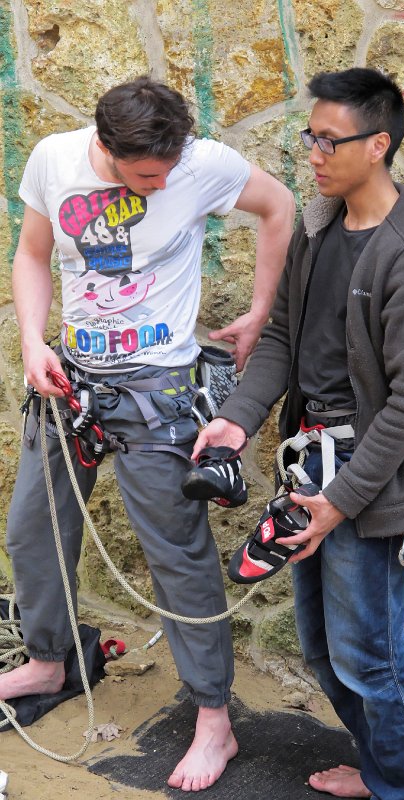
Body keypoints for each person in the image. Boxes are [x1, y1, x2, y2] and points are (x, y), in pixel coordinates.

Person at [2, 76, 296, 792]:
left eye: (167, 171)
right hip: (71, 383)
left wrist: (261, 310)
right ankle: (49, 663)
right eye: (145, 177)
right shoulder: (53, 159)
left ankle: (214, 718)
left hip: (156, 394)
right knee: (33, 531)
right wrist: (33, 341)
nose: (162, 185)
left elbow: (278, 207)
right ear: (106, 148)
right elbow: (33, 253)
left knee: (178, 555)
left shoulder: (200, 163)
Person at [193, 67, 404, 799]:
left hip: (366, 481)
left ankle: (402, 788)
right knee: (321, 649)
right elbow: (280, 335)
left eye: (329, 141)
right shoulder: (318, 225)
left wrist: (341, 501)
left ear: (378, 145)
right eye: (311, 136)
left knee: (369, 659)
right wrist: (236, 420)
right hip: (307, 467)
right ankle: (380, 770)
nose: (313, 153)